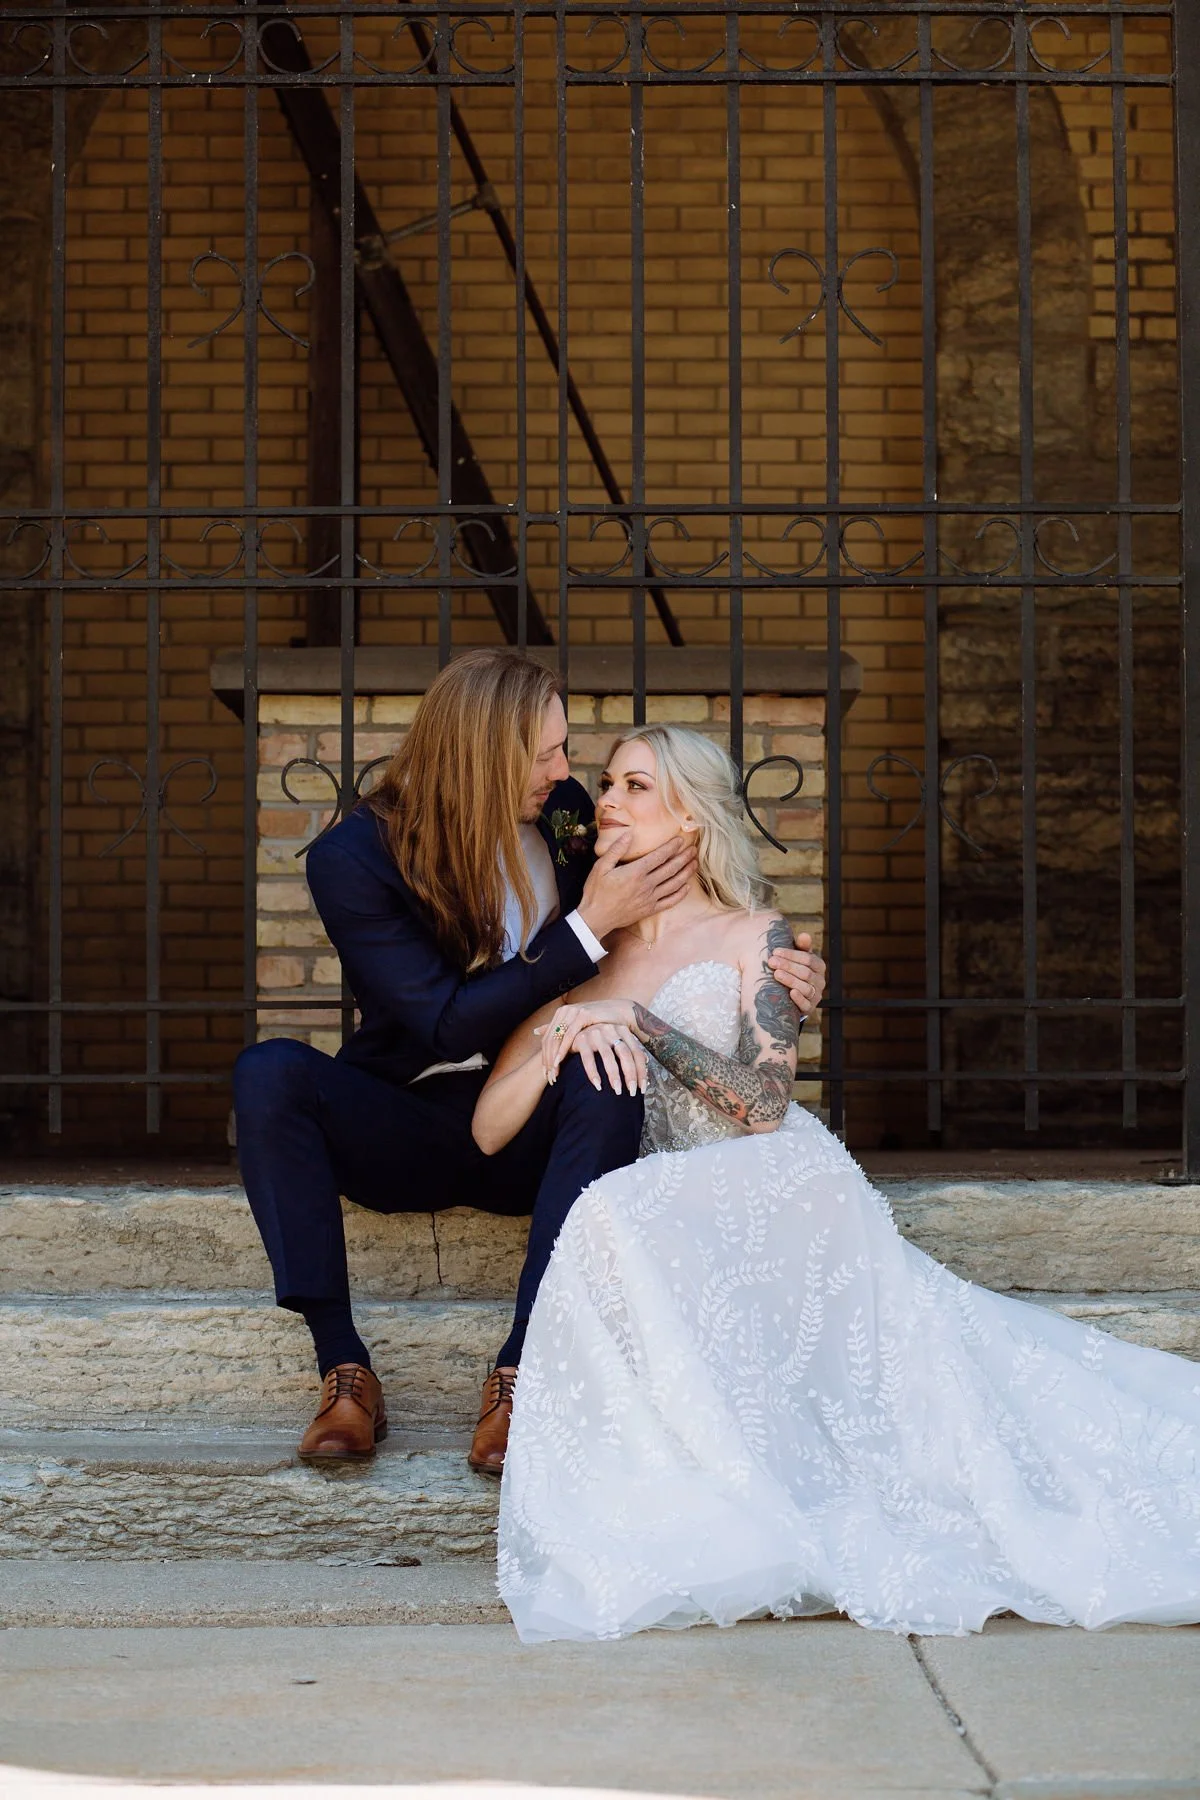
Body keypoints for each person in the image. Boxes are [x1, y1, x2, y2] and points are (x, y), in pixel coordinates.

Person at [482, 724, 1200, 1642]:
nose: (606, 802)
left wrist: (638, 1023)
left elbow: (765, 1104)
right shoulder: (580, 953)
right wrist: (560, 1037)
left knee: (612, 1211)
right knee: (617, 1212)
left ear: (693, 821)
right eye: (607, 783)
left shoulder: (759, 935)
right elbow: (488, 1125)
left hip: (776, 1178)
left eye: (634, 786)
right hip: (683, 1198)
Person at [232, 652, 826, 1472]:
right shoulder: (353, 859)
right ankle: (343, 1369)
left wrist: (775, 974)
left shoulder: (567, 814)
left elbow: (679, 924)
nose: (567, 773)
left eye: (565, 750)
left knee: (602, 1057)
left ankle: (518, 1370)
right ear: (480, 752)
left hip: (555, 1127)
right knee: (268, 1071)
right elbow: (441, 1026)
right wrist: (584, 930)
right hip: (418, 1116)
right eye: (545, 754)